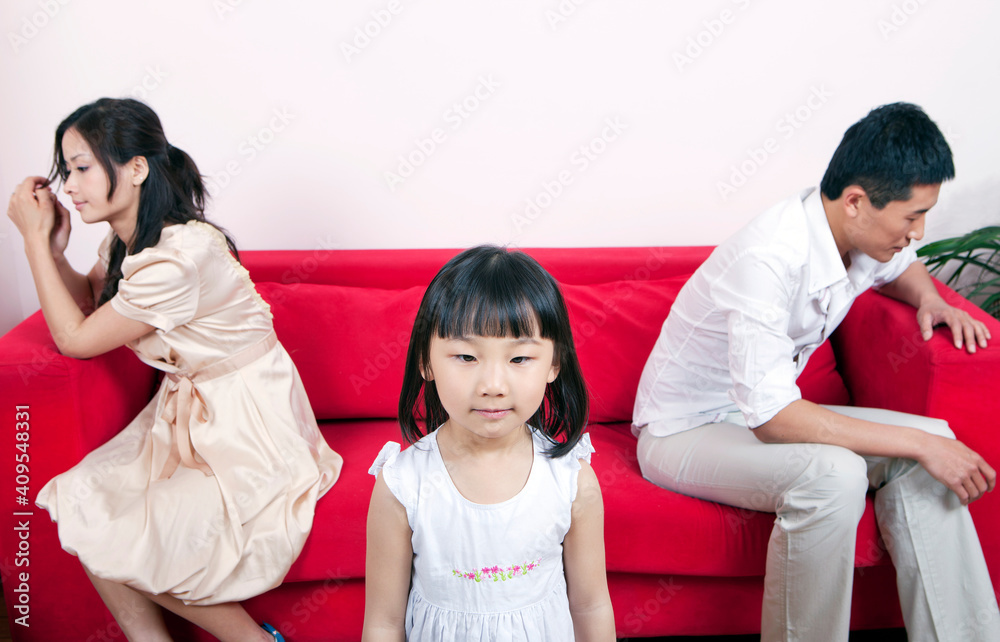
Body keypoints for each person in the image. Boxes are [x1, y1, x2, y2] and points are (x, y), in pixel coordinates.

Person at [632, 102, 999, 641]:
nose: (918, 232)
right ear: (856, 201)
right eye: (911, 216)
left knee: (935, 443)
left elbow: (903, 267)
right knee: (836, 476)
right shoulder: (770, 257)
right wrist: (913, 444)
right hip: (684, 430)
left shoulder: (857, 233)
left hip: (756, 412)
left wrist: (931, 299)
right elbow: (775, 419)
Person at [7, 98, 343, 642]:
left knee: (130, 534)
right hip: (189, 410)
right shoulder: (130, 237)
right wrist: (55, 249)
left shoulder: (176, 257)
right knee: (82, 504)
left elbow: (76, 340)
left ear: (136, 168)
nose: (69, 185)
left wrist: (29, 243)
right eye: (67, 169)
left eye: (82, 167)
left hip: (244, 420)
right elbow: (93, 304)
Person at [362, 245, 615, 641]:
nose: (493, 386)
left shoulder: (571, 480)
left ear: (553, 364)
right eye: (466, 356)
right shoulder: (402, 484)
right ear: (426, 362)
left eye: (519, 359)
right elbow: (383, 622)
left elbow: (590, 605)